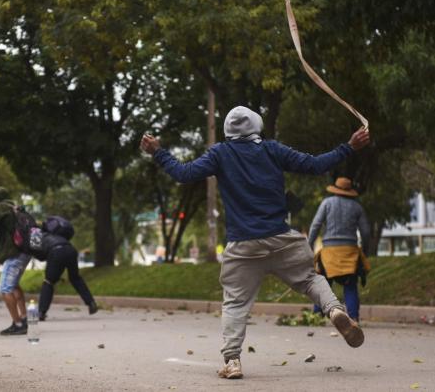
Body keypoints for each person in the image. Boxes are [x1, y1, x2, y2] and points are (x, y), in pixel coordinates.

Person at [140, 106, 370, 380]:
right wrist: (349, 147)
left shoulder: (220, 154)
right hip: (281, 238)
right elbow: (314, 164)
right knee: (310, 279)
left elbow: (184, 173)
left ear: (227, 130)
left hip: (242, 245)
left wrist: (158, 152)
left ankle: (233, 360)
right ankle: (334, 310)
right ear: (257, 126)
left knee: (235, 303)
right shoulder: (272, 149)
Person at [309, 177, 371, 322]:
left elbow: (315, 225)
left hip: (329, 253)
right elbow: (366, 232)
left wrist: (309, 245)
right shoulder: (357, 207)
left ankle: (317, 316)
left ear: (335, 189)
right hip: (350, 252)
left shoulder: (327, 203)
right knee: (350, 286)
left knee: (323, 285)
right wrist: (365, 252)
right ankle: (354, 317)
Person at [0, 187, 31, 336]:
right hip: (25, 251)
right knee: (14, 285)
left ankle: (17, 324)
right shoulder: (16, 208)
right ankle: (23, 318)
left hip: (14, 253)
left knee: (5, 289)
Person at [34, 225, 98, 321]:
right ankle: (91, 303)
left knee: (49, 281)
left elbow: (40, 256)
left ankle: (41, 312)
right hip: (70, 250)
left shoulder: (39, 237)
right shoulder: (56, 235)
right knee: (75, 278)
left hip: (56, 252)